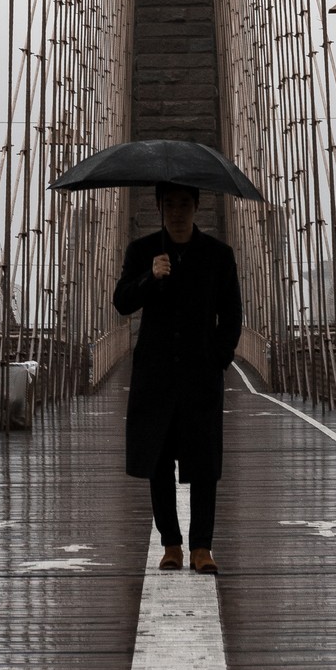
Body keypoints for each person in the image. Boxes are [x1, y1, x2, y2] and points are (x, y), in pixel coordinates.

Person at [112, 182, 243, 575]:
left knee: (205, 464)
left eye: (185, 203)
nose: (177, 211)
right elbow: (122, 302)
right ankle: (172, 545)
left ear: (197, 206)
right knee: (158, 462)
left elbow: (232, 314)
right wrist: (150, 277)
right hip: (155, 378)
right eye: (169, 204)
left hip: (200, 378)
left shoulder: (219, 256)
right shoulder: (143, 251)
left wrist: (218, 358)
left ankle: (203, 547)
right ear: (158, 206)